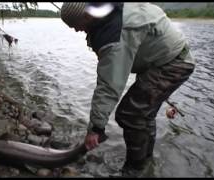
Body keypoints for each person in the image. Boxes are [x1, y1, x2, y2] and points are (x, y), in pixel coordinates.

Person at [60, 2, 195, 177]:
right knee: (143, 114)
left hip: (174, 63)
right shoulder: (109, 11)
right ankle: (146, 162)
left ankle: (135, 169)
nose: (76, 30)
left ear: (86, 16)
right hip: (162, 60)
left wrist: (95, 129)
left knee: (130, 114)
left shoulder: (115, 33)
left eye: (75, 25)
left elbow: (108, 87)